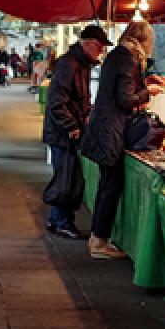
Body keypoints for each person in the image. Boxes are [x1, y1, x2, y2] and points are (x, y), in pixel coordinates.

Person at [79, 21, 155, 260]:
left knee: (106, 186)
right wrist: (148, 92)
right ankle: (99, 242)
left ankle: (96, 238)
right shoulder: (127, 58)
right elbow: (125, 99)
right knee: (110, 187)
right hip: (110, 131)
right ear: (143, 40)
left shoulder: (118, 56)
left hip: (104, 128)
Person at [42, 25, 111, 240]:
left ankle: (56, 220)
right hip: (62, 133)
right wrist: (71, 126)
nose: (100, 52)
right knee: (66, 178)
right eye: (99, 47)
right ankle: (62, 222)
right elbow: (56, 102)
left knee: (66, 176)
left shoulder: (79, 64)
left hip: (66, 131)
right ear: (88, 43)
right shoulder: (69, 64)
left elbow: (79, 99)